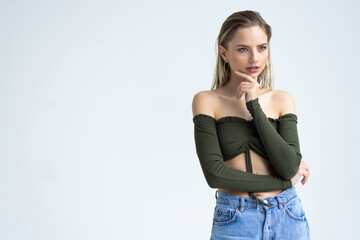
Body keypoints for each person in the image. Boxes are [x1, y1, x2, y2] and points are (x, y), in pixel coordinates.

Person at [192, 10, 311, 239]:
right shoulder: (206, 101)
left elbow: (288, 165)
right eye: (243, 49)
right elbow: (214, 174)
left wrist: (254, 106)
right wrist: (284, 182)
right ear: (224, 53)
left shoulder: (282, 99)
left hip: (288, 215)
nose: (255, 58)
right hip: (236, 218)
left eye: (262, 47)